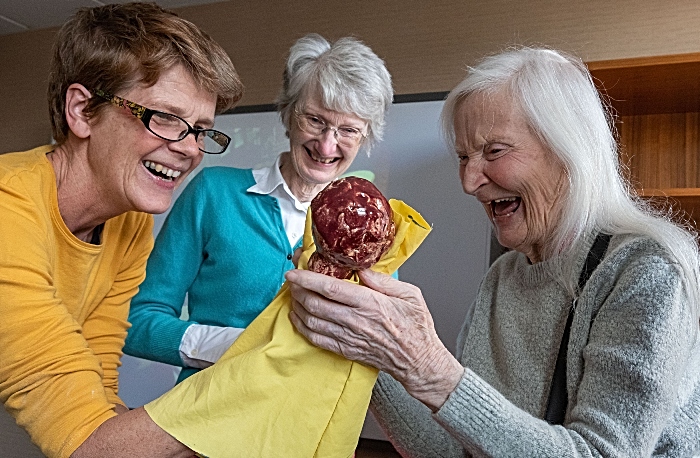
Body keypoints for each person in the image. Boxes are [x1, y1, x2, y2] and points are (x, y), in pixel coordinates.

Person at [285, 47, 700, 456]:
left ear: (569, 149)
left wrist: (428, 367)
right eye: (464, 156)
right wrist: (367, 343)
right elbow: (453, 450)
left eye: (495, 151)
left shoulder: (646, 271)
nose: (469, 181)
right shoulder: (504, 276)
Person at [0, 3, 243, 457]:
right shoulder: (7, 211)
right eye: (165, 117)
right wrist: (263, 379)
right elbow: (90, 445)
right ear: (82, 111)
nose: (189, 149)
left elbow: (96, 390)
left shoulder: (128, 223)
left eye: (200, 130)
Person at [123, 33, 393, 382]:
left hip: (308, 427)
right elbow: (138, 321)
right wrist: (239, 346)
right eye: (315, 120)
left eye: (349, 130)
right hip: (205, 418)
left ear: (366, 135)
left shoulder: (377, 227)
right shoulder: (213, 193)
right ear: (288, 113)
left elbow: (377, 341)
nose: (328, 145)